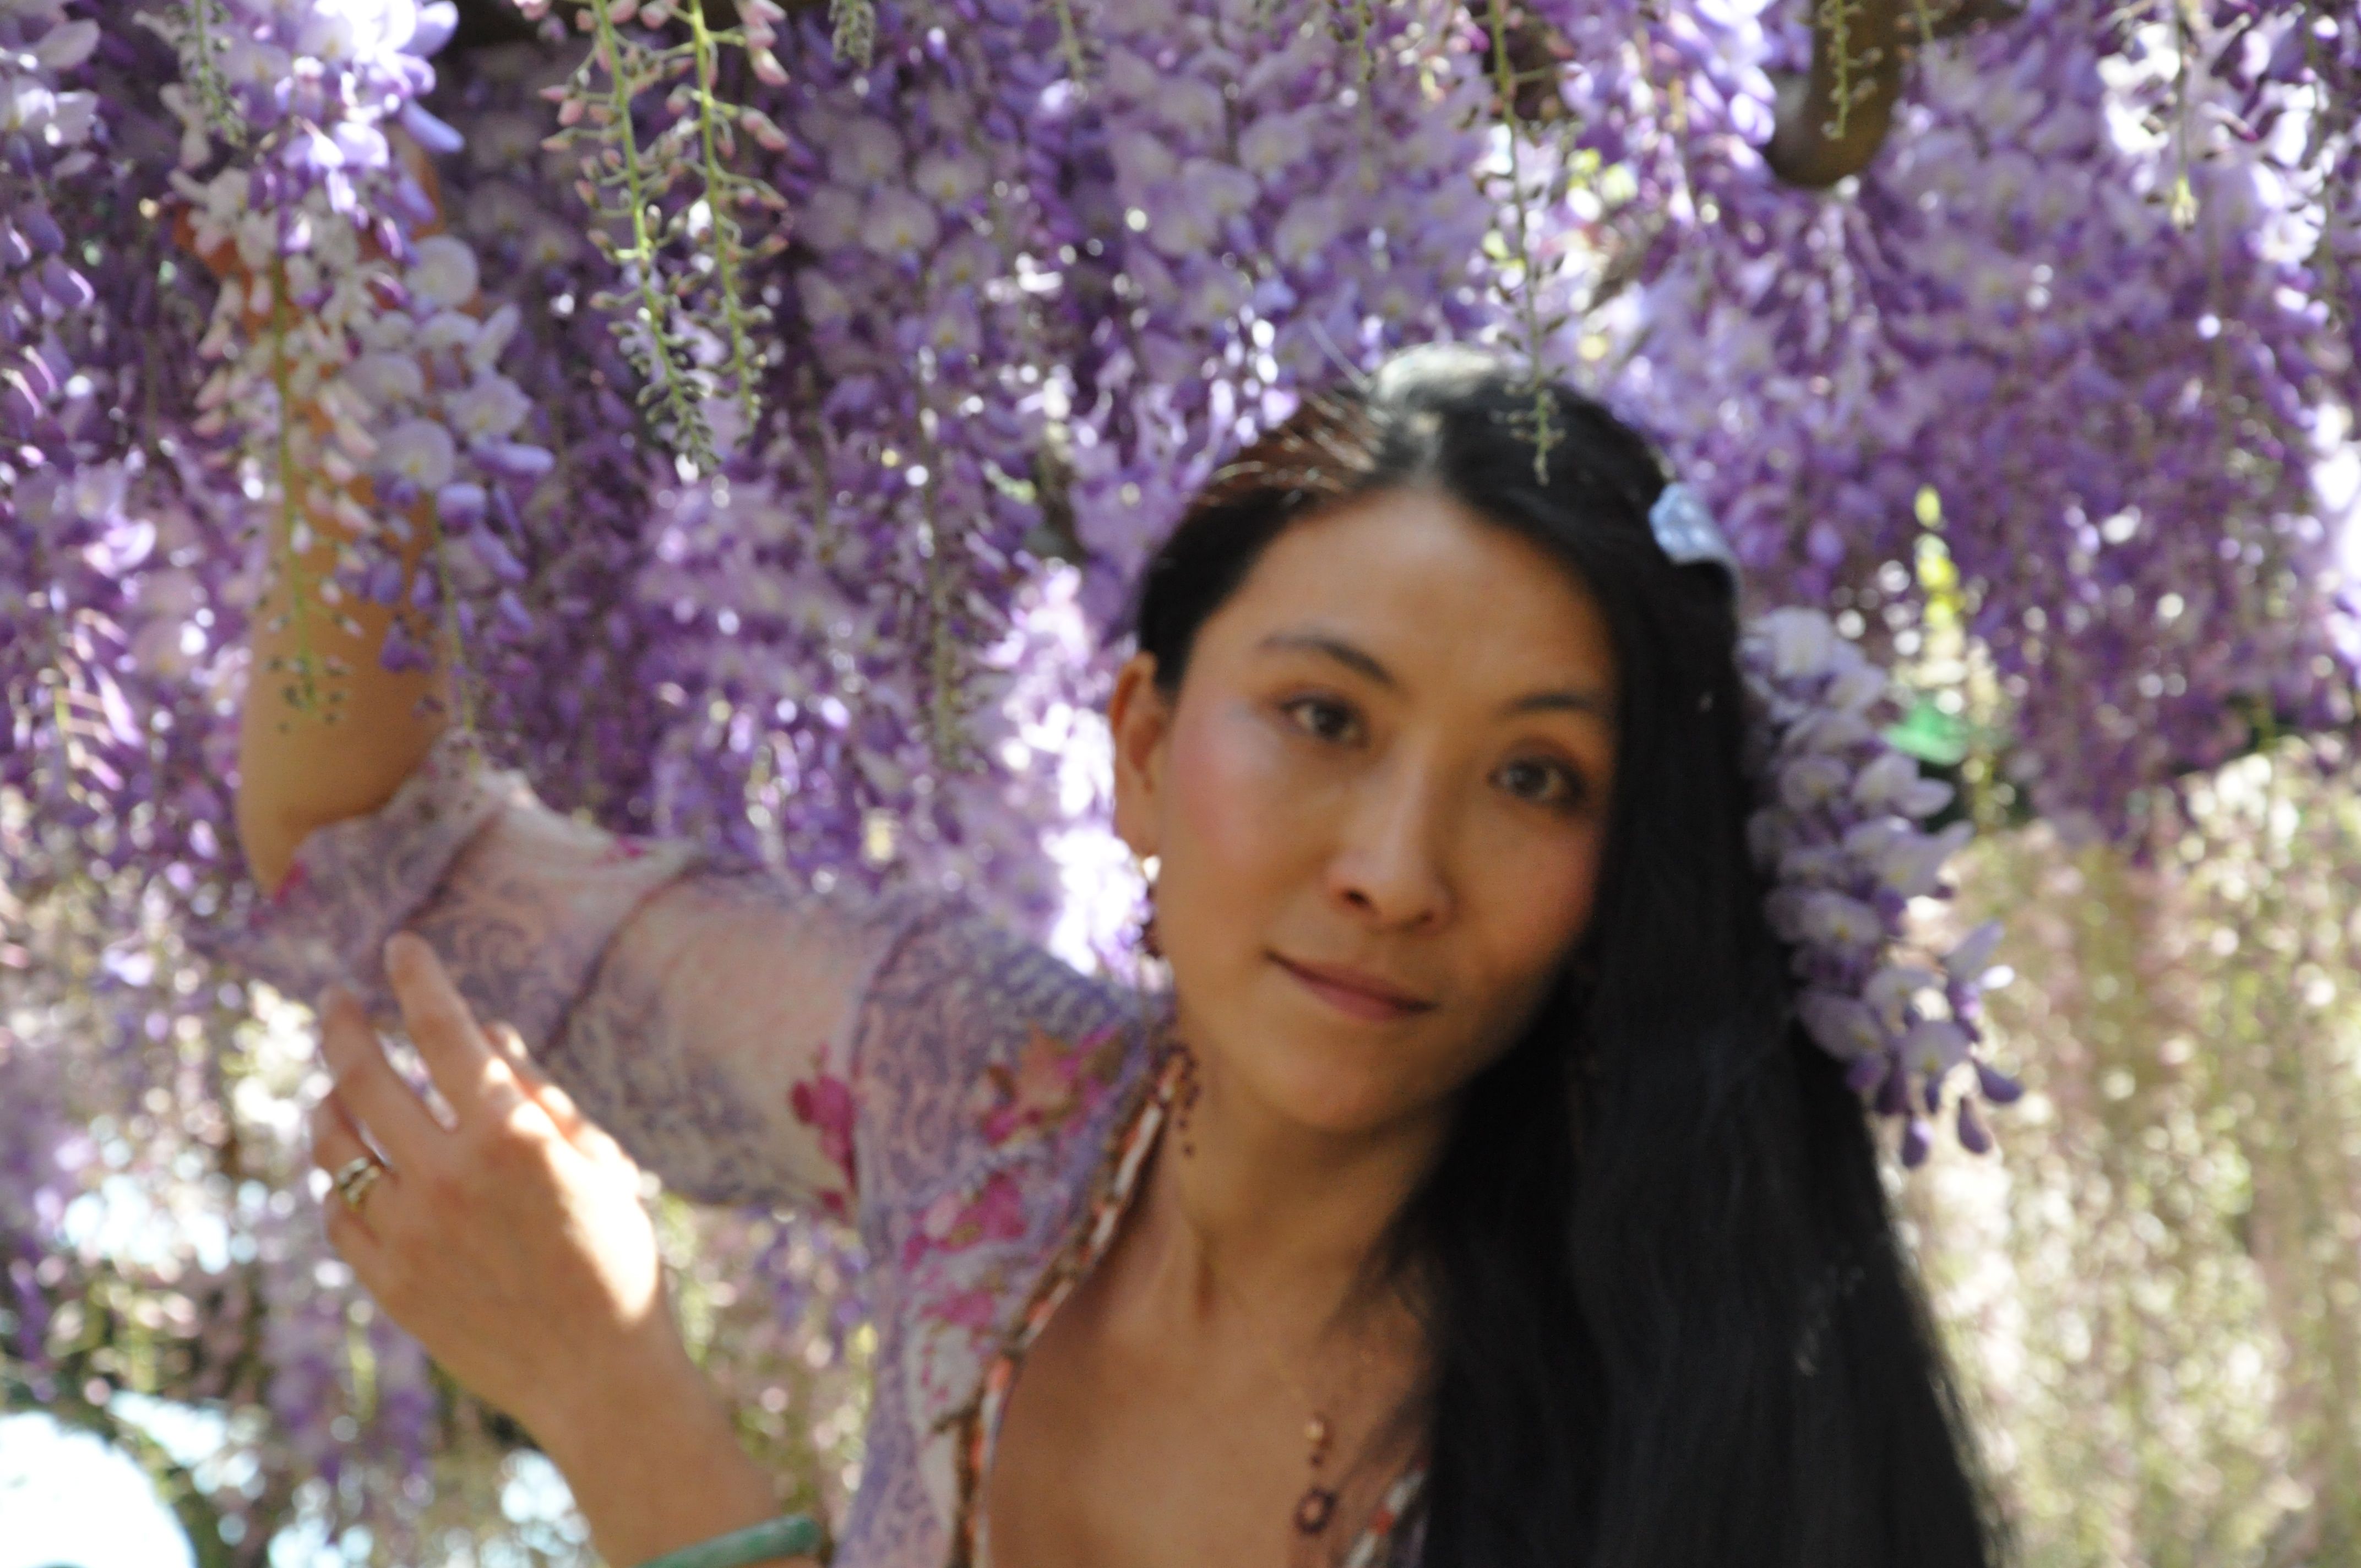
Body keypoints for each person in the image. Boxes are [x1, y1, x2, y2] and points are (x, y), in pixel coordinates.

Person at [241, 349, 2001, 1568]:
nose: (1394, 872)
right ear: (1143, 746)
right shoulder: (987, 1091)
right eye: (1324, 717)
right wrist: (344, 277)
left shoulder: (1671, 1422)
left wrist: (612, 1390)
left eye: (1536, 779)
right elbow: (380, 852)